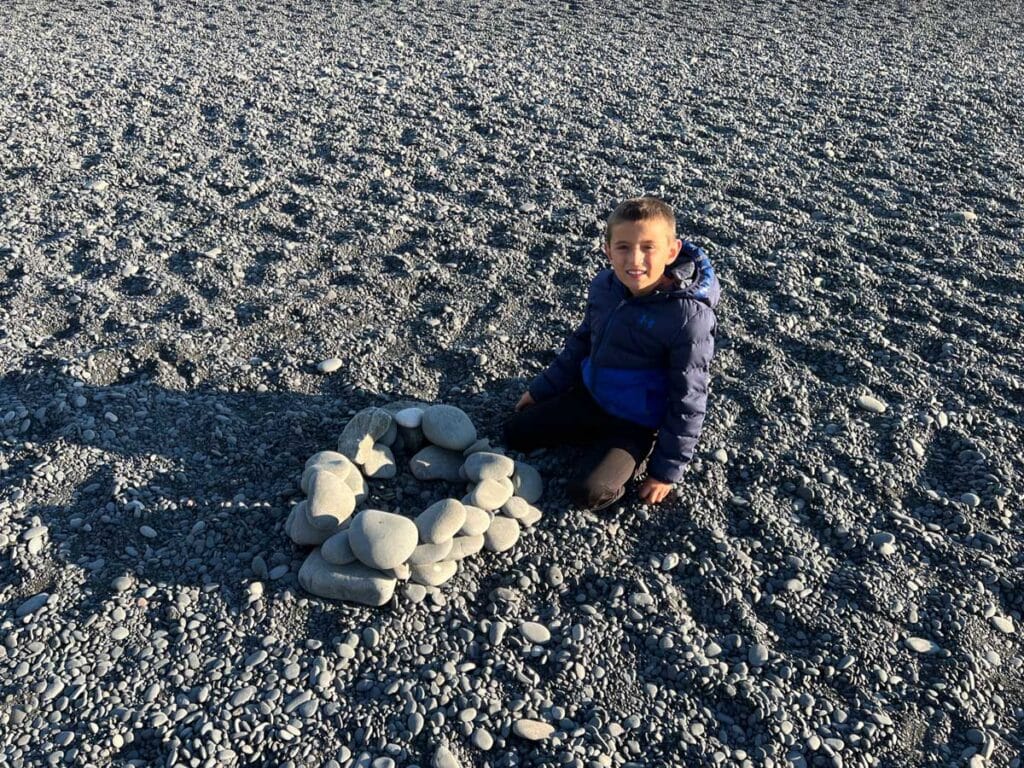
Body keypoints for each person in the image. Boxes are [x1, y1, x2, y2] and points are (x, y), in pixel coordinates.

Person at [503, 196, 720, 510]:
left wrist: (666, 472)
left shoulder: (688, 319)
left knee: (588, 494)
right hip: (591, 396)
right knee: (515, 432)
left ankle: (633, 455)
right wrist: (541, 390)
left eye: (648, 247)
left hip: (635, 421)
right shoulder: (604, 286)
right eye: (623, 247)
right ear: (607, 250)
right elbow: (580, 343)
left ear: (671, 251)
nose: (634, 260)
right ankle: (590, 437)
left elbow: (689, 398)